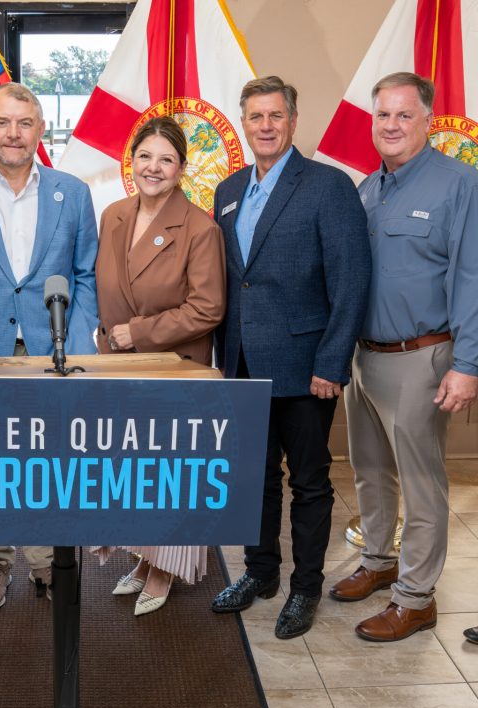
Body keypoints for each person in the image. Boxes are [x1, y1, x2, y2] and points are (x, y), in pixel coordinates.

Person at [211, 76, 371, 639]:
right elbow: (233, 284)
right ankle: (260, 574)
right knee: (254, 477)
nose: (266, 126)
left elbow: (351, 283)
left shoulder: (328, 187)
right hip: (244, 363)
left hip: (307, 366)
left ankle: (304, 587)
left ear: (293, 121)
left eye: (275, 116)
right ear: (244, 123)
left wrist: (332, 363)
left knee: (309, 482)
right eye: (255, 117)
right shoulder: (228, 190)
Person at [329, 73, 478, 642]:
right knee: (369, 473)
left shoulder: (459, 185)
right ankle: (378, 561)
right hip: (364, 358)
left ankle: (415, 598)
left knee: (421, 484)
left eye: (403, 115)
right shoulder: (369, 189)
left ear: (428, 121)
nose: (390, 126)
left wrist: (467, 364)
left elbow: (471, 279)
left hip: (424, 357)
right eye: (382, 116)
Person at [0, 82, 99, 612]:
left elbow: (84, 276)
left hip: (51, 349)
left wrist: (78, 347)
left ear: (41, 129)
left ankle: (44, 560)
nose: (14, 133)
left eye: (25, 123)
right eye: (3, 122)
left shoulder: (72, 192)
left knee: (44, 454)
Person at [90, 115, 226, 615]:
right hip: (118, 369)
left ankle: (165, 571)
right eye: (145, 156)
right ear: (131, 161)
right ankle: (145, 561)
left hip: (174, 370)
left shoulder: (200, 228)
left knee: (167, 475)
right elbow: (106, 286)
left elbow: (207, 309)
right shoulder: (115, 215)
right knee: (134, 472)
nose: (153, 167)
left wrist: (138, 333)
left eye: (165, 159)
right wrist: (106, 337)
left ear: (181, 169)